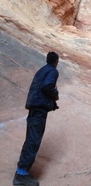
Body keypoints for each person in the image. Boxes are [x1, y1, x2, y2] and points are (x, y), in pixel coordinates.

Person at [13, 51, 60, 186]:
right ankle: (21, 175)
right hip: (39, 110)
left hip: (34, 107)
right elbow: (47, 86)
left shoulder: (41, 71)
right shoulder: (53, 71)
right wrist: (55, 94)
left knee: (30, 139)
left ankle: (22, 171)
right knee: (33, 141)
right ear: (56, 62)